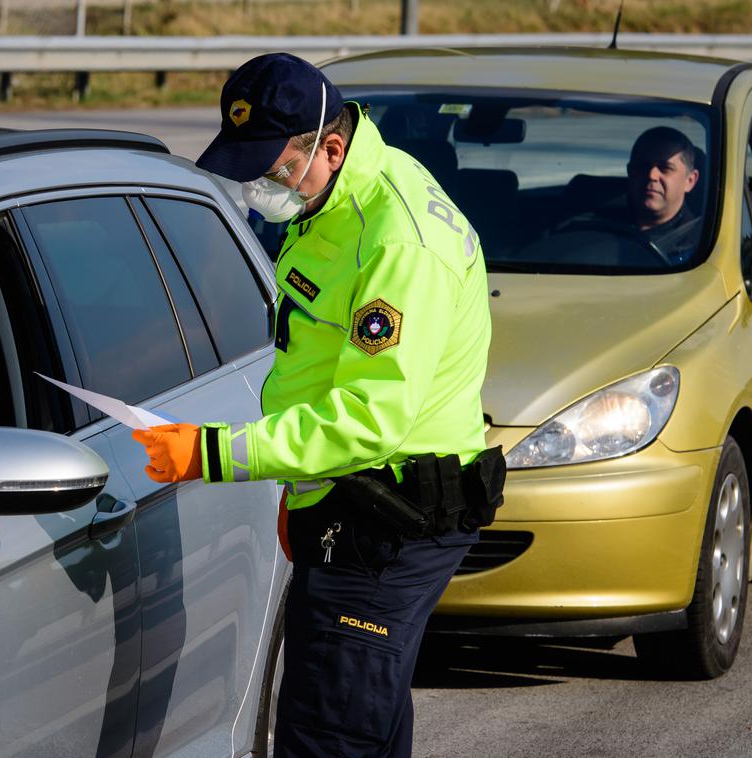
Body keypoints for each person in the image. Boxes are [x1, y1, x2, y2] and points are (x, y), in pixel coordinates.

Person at [131, 53, 504, 757]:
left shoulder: (396, 241)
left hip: (385, 528)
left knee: (328, 733)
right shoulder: (332, 202)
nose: (258, 182)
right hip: (353, 504)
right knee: (365, 728)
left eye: (271, 165)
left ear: (329, 147)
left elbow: (368, 420)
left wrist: (208, 452)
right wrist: (304, 494)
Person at [559, 126, 702, 263]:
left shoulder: (702, 247)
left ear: (690, 181)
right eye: (642, 166)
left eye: (665, 168)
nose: (651, 175)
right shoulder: (584, 222)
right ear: (630, 171)